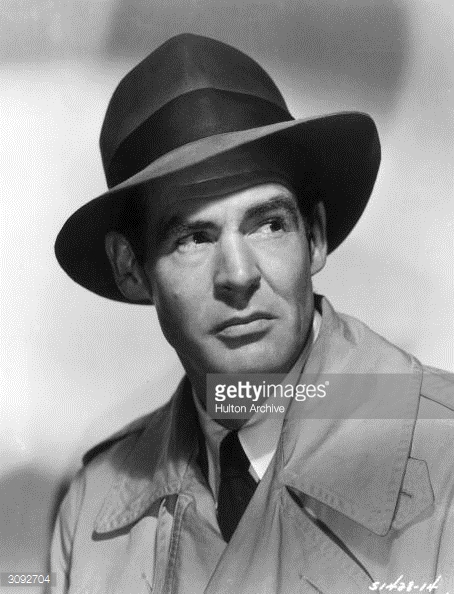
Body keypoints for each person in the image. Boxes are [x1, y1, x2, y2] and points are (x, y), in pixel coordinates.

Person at [50, 33, 454, 594]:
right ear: (131, 269)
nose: (239, 275)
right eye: (193, 238)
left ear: (314, 238)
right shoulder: (92, 509)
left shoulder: (443, 448)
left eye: (268, 224)